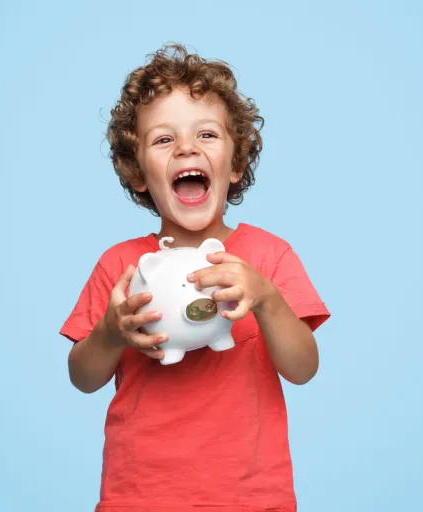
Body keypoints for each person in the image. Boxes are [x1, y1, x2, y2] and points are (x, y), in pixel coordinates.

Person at [60, 43, 331, 512]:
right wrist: (110, 332)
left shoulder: (269, 256)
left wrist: (266, 299)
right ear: (138, 172)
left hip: (250, 497)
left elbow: (303, 369)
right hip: (139, 498)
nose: (187, 147)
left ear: (236, 164)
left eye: (206, 134)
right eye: (164, 140)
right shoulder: (122, 265)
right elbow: (82, 377)